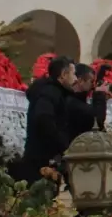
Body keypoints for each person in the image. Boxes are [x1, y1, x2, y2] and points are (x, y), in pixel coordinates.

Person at [18, 56, 76, 185]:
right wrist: (61, 143)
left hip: (44, 156)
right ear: (63, 75)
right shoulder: (50, 93)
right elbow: (44, 118)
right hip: (41, 158)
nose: (75, 79)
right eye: (73, 74)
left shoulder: (55, 92)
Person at [67, 63, 111, 141]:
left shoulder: (75, 99)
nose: (93, 86)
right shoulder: (72, 102)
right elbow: (97, 121)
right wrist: (99, 95)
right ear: (80, 81)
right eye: (91, 81)